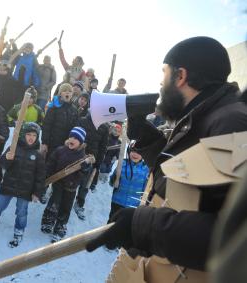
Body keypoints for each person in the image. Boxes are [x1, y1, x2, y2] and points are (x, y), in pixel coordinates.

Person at [86, 36, 247, 282]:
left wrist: (143, 226)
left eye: (164, 73)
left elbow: (235, 235)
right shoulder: (203, 116)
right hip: (161, 264)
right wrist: (150, 142)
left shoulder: (231, 122)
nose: (160, 82)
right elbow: (187, 182)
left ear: (180, 76)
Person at [0, 122, 45, 247]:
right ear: (23, 135)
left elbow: (40, 176)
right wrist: (7, 158)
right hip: (9, 185)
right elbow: (2, 164)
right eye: (28, 134)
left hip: (25, 189)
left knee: (22, 212)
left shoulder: (38, 155)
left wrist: (37, 192)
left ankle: (19, 230)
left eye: (34, 135)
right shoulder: (13, 148)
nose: (31, 137)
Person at [41, 127, 92, 242]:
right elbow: (51, 164)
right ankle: (48, 220)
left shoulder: (83, 158)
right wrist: (46, 175)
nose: (72, 139)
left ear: (81, 142)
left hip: (72, 186)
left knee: (66, 207)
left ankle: (60, 225)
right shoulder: (60, 150)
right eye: (71, 137)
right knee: (54, 202)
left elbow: (84, 176)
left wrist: (85, 169)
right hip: (58, 183)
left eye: (75, 138)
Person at [73, 113, 109, 220]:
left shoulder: (104, 127)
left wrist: (98, 162)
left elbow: (103, 146)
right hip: (77, 156)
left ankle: (79, 204)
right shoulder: (82, 120)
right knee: (71, 181)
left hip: (92, 159)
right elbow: (73, 137)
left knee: (85, 184)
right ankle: (64, 201)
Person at [107, 145, 149, 220]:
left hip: (133, 206)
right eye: (133, 151)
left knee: (125, 228)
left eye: (139, 152)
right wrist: (114, 179)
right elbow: (112, 183)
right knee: (111, 224)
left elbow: (146, 190)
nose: (135, 155)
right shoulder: (122, 164)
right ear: (129, 151)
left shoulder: (146, 169)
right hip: (117, 202)